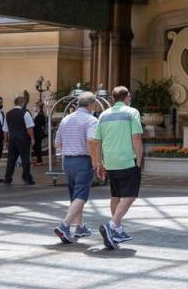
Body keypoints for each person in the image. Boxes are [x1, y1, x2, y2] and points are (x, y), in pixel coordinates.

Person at [90, 85, 143, 249]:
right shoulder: (132, 112)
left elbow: (96, 142)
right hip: (127, 160)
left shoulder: (103, 115)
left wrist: (99, 163)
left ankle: (118, 229)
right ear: (127, 98)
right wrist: (139, 161)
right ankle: (112, 225)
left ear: (113, 99)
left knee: (116, 196)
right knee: (130, 196)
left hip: (111, 161)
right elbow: (136, 138)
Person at [53, 91, 99, 243]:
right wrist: (95, 161)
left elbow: (57, 143)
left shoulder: (65, 119)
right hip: (83, 160)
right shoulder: (91, 120)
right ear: (92, 104)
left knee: (74, 195)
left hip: (68, 161)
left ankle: (79, 227)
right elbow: (91, 141)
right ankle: (65, 226)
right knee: (81, 195)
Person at [4, 96, 36, 185]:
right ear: (22, 103)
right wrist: (32, 138)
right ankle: (27, 178)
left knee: (11, 159)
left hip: (12, 139)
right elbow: (29, 127)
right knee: (25, 158)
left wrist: (6, 141)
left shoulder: (8, 114)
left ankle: (7, 178)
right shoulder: (25, 113)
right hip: (23, 139)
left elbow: (5, 129)